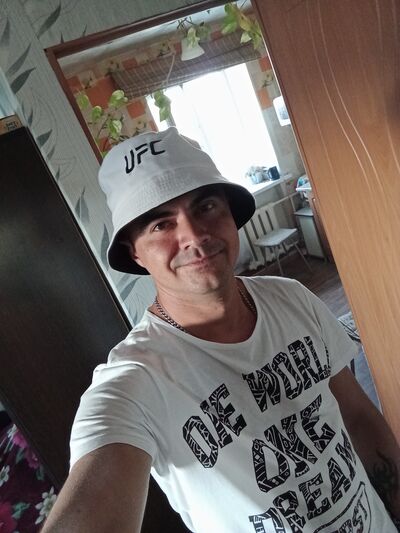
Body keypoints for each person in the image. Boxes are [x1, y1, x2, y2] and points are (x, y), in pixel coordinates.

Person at [42, 127, 400, 532]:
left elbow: (358, 415)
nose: (194, 236)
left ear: (230, 213)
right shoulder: (135, 382)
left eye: (206, 206)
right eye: (161, 225)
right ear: (135, 253)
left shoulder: (293, 299)